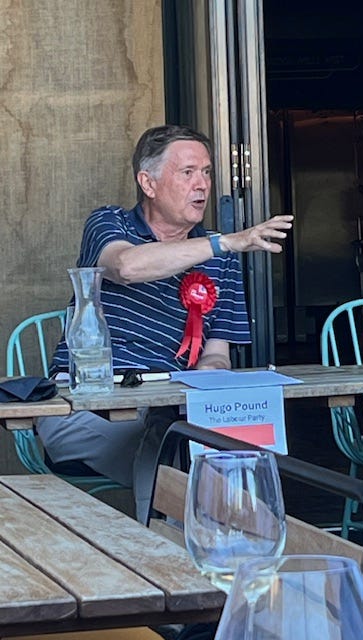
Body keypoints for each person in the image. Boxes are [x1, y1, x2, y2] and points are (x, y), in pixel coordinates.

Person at [36, 124, 293, 523]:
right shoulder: (110, 223)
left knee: (231, 445)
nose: (201, 184)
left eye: (207, 172)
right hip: (82, 412)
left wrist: (200, 387)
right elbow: (126, 266)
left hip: (169, 410)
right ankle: (194, 551)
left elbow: (217, 355)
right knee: (176, 447)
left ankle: (196, 548)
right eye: (187, 172)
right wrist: (224, 241)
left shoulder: (220, 259)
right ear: (148, 183)